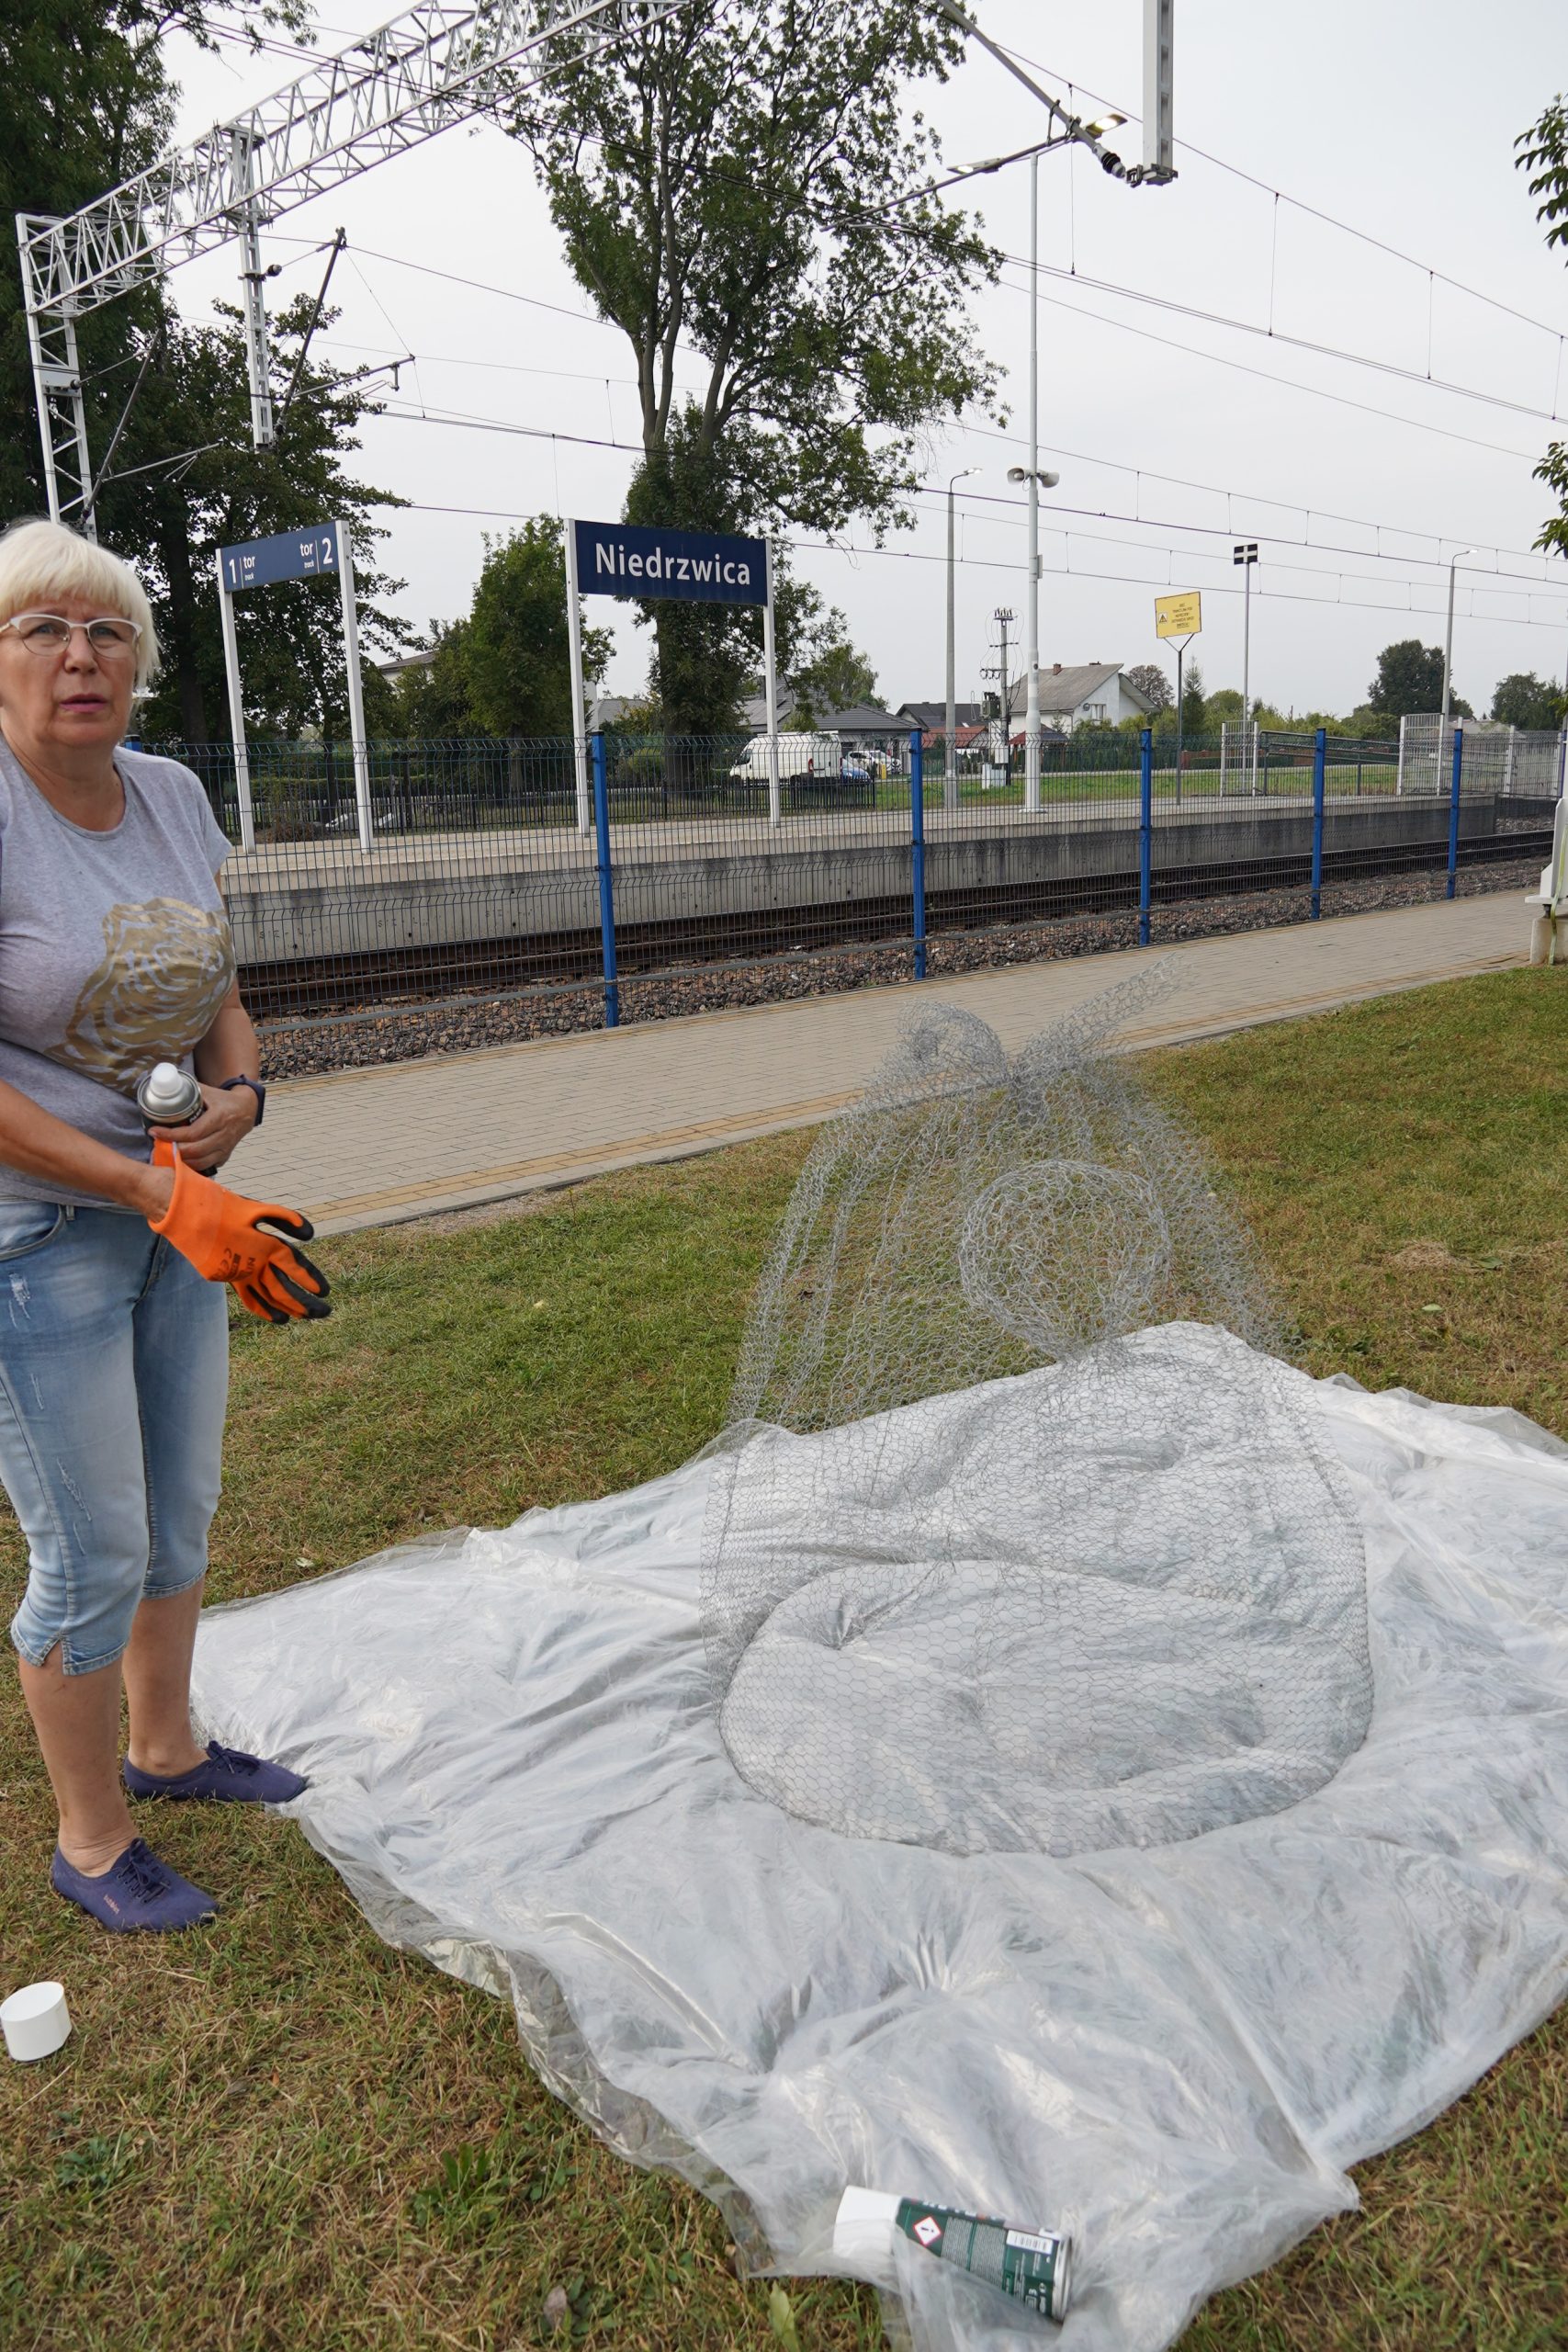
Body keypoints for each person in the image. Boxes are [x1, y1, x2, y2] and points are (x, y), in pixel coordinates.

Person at [0, 516, 331, 1934]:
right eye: (42, 629)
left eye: (108, 631)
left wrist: (241, 1094)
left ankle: (170, 1747)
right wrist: (137, 1180)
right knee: (91, 1546)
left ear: (138, 661)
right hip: (36, 1237)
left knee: (179, 1510)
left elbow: (218, 984)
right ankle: (90, 1839)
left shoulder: (173, 793)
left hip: (176, 1215)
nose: (82, 656)